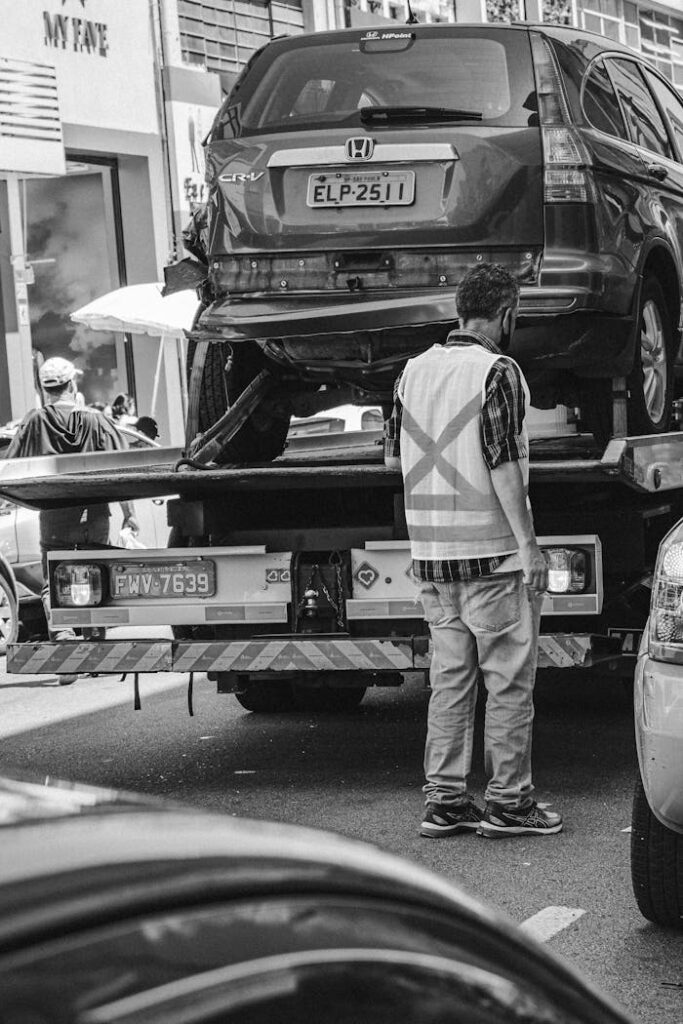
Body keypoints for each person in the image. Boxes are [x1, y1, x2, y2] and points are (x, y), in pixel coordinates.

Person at [384, 263, 562, 839]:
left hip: (432, 560)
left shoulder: (411, 373)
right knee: (508, 682)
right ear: (507, 314)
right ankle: (509, 804)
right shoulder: (498, 372)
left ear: (459, 310)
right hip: (490, 556)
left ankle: (446, 800)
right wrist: (529, 547)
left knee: (450, 681)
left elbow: (393, 459)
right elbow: (504, 462)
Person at [6, 358, 139, 678]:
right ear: (72, 386)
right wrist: (129, 514)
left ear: (44, 390)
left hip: (55, 518)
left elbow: (10, 468)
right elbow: (121, 469)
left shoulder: (34, 422)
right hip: (94, 516)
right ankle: (95, 652)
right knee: (98, 578)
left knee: (56, 583)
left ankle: (65, 651)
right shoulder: (97, 421)